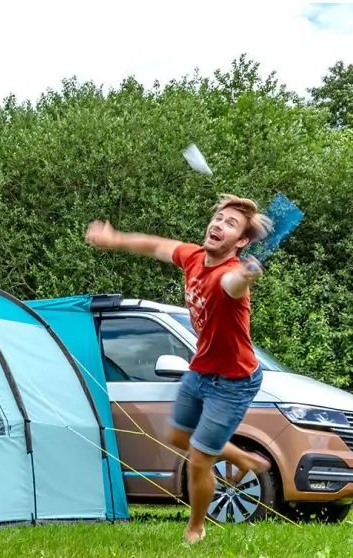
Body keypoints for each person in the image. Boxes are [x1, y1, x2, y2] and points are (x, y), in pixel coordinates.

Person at [85, 194, 273, 544]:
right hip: (200, 369)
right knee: (176, 437)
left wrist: (247, 275)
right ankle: (241, 456)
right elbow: (155, 245)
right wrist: (115, 240)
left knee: (200, 457)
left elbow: (232, 286)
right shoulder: (192, 256)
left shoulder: (231, 275)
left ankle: (196, 527)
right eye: (218, 218)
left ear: (242, 242)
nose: (218, 225)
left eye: (230, 224)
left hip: (234, 381)